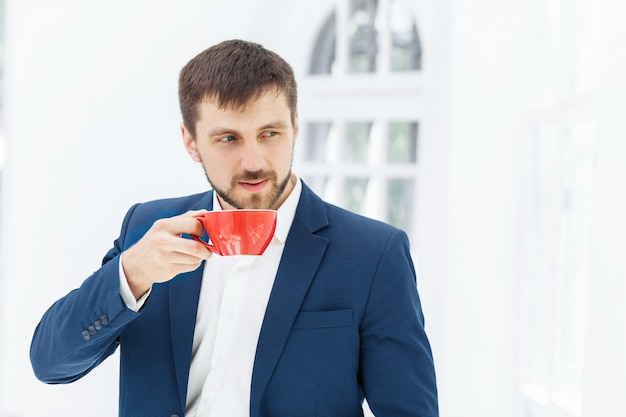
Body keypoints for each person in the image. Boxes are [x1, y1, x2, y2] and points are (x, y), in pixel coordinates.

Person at [30, 39, 438, 417]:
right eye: (228, 138)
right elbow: (51, 363)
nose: (254, 161)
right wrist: (131, 274)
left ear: (295, 126)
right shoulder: (147, 229)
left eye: (270, 133)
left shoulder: (373, 254)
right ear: (191, 142)